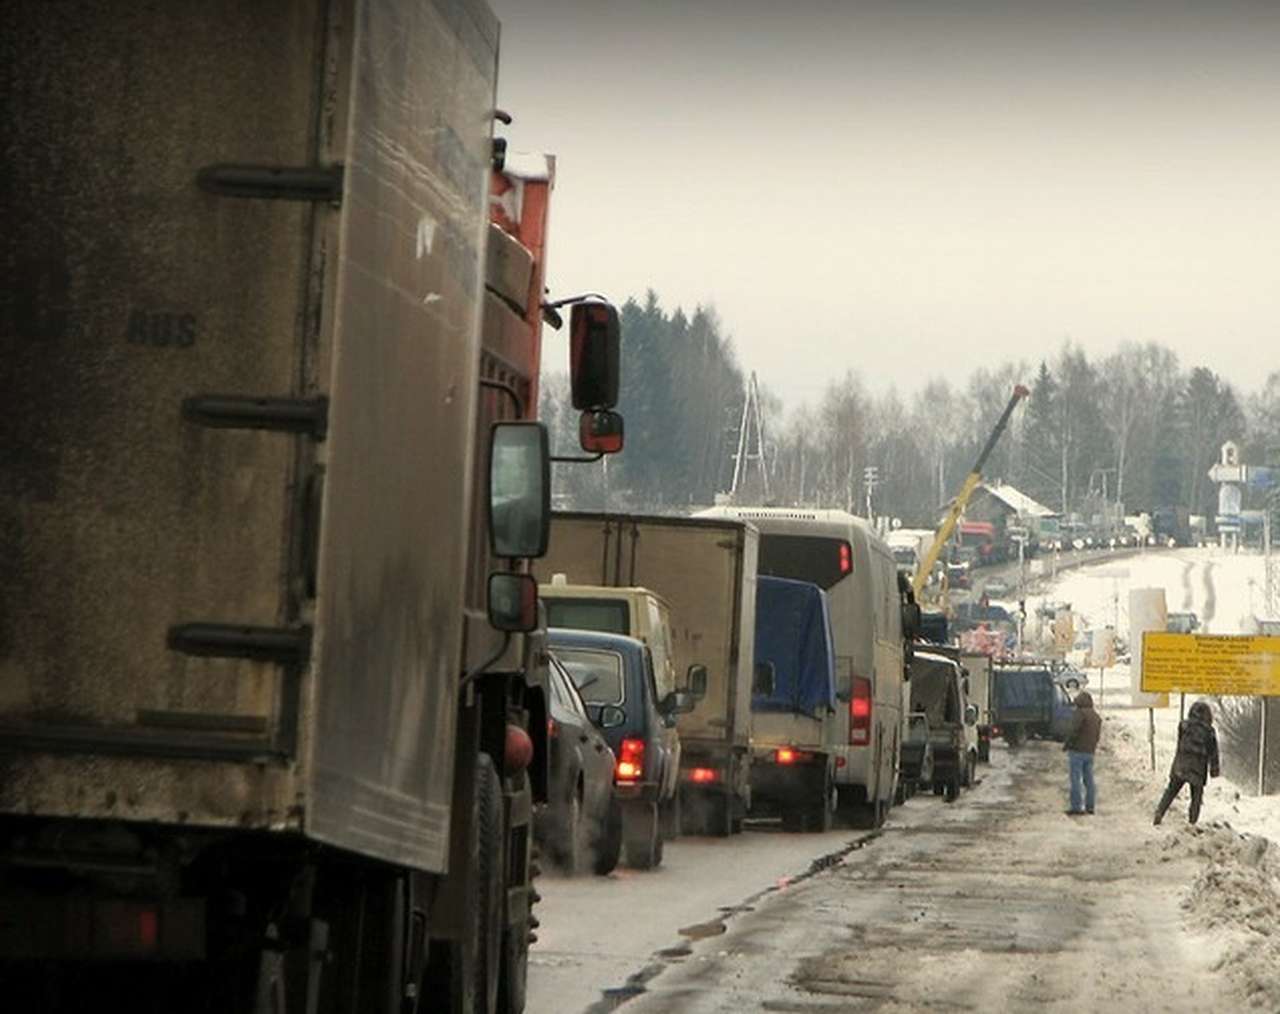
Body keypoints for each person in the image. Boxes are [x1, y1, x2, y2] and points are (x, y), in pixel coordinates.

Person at [1153, 700, 1220, 826]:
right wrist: (1214, 770)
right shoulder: (1209, 732)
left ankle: (1160, 812)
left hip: (1181, 764)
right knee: (1196, 796)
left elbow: (1180, 743)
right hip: (1198, 767)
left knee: (1171, 790)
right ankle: (1192, 822)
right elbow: (1213, 752)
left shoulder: (1184, 726)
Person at [1063, 690, 1101, 815]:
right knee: (1089, 780)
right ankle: (1090, 806)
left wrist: (1067, 744)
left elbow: (1073, 731)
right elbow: (1097, 736)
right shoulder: (1096, 716)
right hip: (1090, 752)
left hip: (1077, 751)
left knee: (1075, 779)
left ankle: (1076, 806)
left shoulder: (1080, 714)